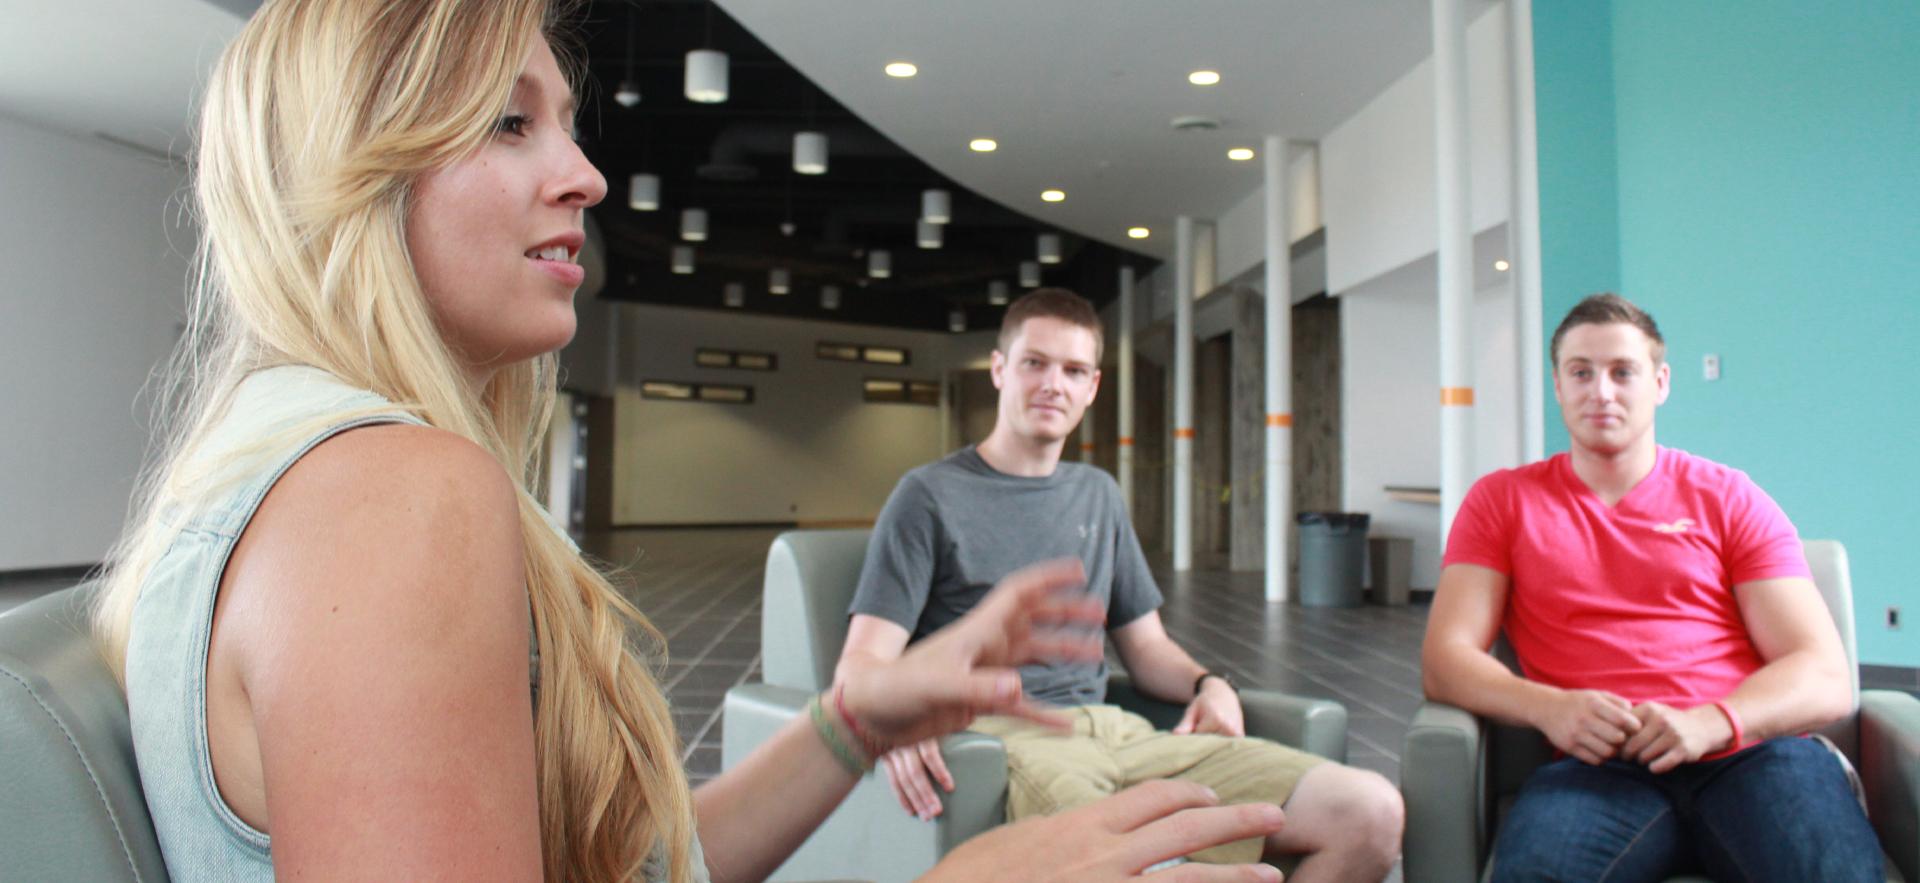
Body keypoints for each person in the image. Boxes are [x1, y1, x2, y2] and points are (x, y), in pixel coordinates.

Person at [88, 2, 1291, 881]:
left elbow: (643, 872)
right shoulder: (390, 494)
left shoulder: (275, 465)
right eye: (509, 125)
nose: (587, 175)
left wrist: (860, 717)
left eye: (563, 122)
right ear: (348, 170)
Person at [837, 288, 1405, 881]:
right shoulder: (927, 496)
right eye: (1035, 362)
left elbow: (1147, 646)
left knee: (1370, 813)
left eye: (1073, 369)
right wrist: (893, 728)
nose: (1053, 383)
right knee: (1150, 867)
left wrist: (1210, 685)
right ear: (1001, 370)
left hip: (1119, 731)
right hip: (1006, 741)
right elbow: (862, 665)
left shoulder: (1099, 494)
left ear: (1092, 388)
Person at [1422, 293, 1881, 881]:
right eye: (1581, 372)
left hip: (1751, 757)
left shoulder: (1729, 496)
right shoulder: (1502, 502)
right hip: (1599, 767)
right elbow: (1445, 659)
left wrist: (1713, 721)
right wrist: (1550, 707)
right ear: (1557, 386)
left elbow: (1824, 674)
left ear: (1660, 382)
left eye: (1623, 372)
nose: (1602, 391)